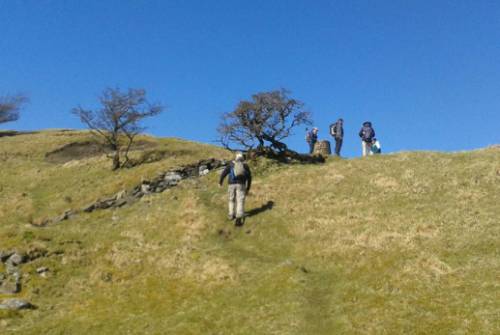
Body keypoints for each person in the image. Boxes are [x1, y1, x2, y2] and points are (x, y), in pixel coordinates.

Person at [219, 152, 252, 226]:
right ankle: (239, 217)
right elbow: (249, 177)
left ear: (236, 158)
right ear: (242, 158)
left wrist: (220, 182)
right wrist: (248, 187)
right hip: (241, 184)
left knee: (231, 199)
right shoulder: (245, 165)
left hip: (231, 184)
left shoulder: (231, 164)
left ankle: (231, 215)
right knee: (240, 200)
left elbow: (224, 173)